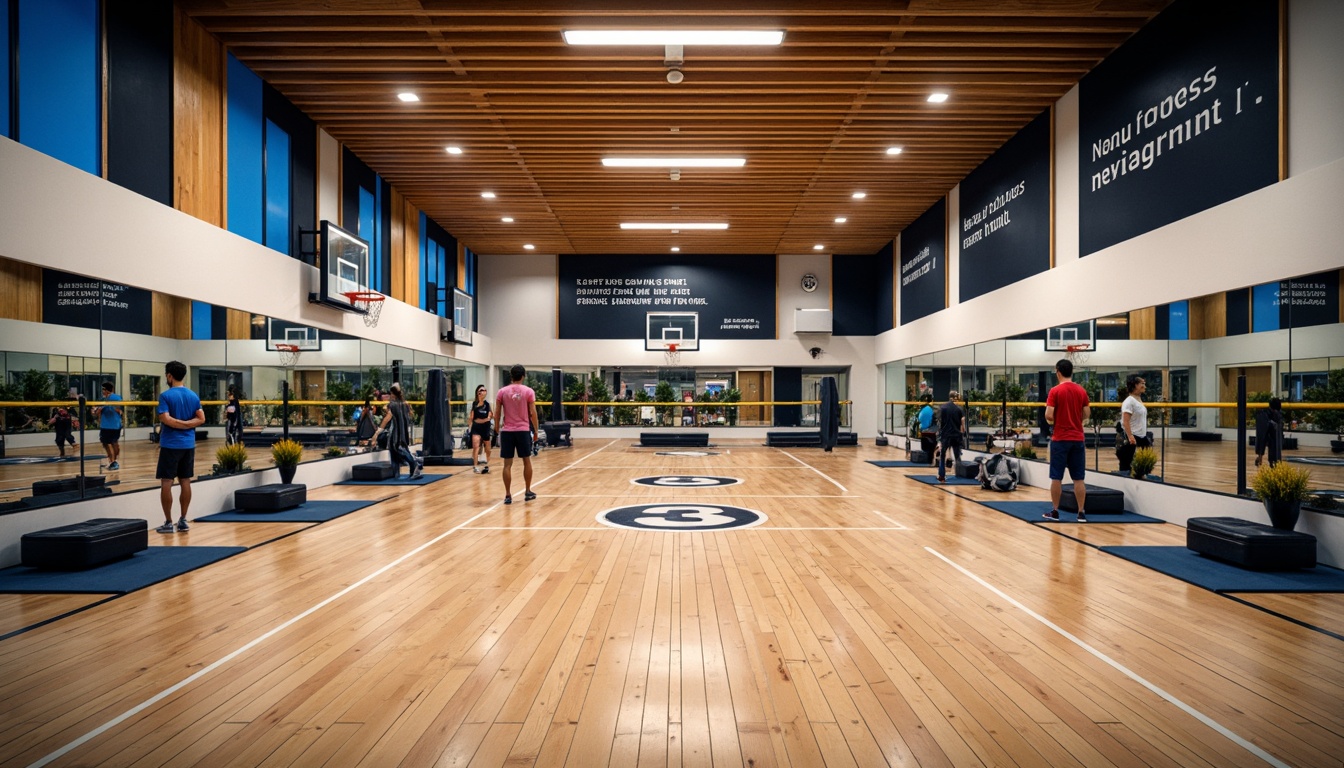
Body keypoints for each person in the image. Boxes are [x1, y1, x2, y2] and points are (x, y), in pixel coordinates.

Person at [156, 360, 205, 534]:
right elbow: (200, 418)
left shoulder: (165, 396)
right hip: (188, 445)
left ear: (169, 376)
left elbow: (166, 419)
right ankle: (183, 520)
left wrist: (179, 424)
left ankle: (169, 522)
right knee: (185, 480)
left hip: (170, 445)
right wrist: (187, 424)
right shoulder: (193, 395)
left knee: (166, 482)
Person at [1043, 358, 1091, 522]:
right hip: (1078, 438)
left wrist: (1055, 420)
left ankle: (1055, 511)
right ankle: (1081, 512)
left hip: (1061, 438)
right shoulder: (1081, 391)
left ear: (1058, 372)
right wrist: (1077, 420)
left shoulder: (1055, 391)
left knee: (1057, 477)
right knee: (1078, 478)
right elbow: (1086, 414)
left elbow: (1049, 415)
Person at [494, 364, 539, 505]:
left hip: (507, 431)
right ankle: (527, 491)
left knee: (507, 464)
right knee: (527, 460)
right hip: (523, 430)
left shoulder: (502, 392)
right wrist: (536, 430)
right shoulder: (528, 391)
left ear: (511, 376)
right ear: (523, 376)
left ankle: (508, 495)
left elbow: (497, 413)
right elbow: (533, 413)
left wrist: (496, 428)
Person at [374, 383, 421, 479]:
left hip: (395, 433)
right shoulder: (405, 404)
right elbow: (410, 416)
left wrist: (377, 432)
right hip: (403, 432)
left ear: (393, 394)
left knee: (396, 448)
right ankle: (396, 473)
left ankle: (414, 463)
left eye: (390, 394)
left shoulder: (392, 405)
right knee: (396, 450)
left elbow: (387, 419)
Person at [1117, 374, 1152, 474]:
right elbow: (1125, 421)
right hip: (1132, 437)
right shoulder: (1129, 402)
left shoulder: (1138, 400)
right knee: (1126, 464)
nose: (1144, 386)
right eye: (1142, 384)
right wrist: (1130, 436)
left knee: (1144, 462)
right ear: (1135, 385)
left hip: (1141, 436)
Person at [936, 391, 966, 483]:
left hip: (945, 435)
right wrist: (963, 431)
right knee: (957, 456)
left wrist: (939, 432)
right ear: (956, 398)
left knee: (943, 455)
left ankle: (941, 476)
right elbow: (963, 423)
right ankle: (960, 474)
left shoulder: (943, 408)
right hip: (956, 435)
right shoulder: (959, 409)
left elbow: (938, 421)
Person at [96, 381, 123, 469]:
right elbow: (95, 412)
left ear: (107, 390)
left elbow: (120, 410)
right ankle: (112, 461)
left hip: (114, 425)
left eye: (103, 389)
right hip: (106, 425)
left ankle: (114, 461)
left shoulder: (116, 398)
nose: (102, 391)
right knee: (107, 443)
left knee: (113, 443)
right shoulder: (102, 399)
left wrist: (113, 408)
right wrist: (98, 411)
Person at [469, 385, 494, 474]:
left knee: (487, 448)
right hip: (476, 427)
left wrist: (488, 418)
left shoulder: (487, 404)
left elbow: (490, 415)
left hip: (485, 428)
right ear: (478, 392)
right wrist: (469, 427)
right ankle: (475, 466)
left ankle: (488, 465)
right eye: (481, 390)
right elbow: (472, 417)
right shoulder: (475, 404)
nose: (483, 392)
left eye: (484, 390)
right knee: (476, 446)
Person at [1255, 397, 1285, 468]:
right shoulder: (1264, 415)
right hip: (1267, 428)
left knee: (1275, 445)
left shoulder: (1277, 415)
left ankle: (1274, 462)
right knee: (1265, 439)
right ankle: (1263, 459)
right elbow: (1262, 437)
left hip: (1274, 435)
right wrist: (1260, 455)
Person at [916, 393, 936, 465]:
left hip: (923, 430)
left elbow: (919, 420)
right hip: (930, 431)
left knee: (927, 446)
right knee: (931, 446)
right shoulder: (930, 409)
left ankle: (929, 460)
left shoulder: (923, 410)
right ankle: (931, 460)